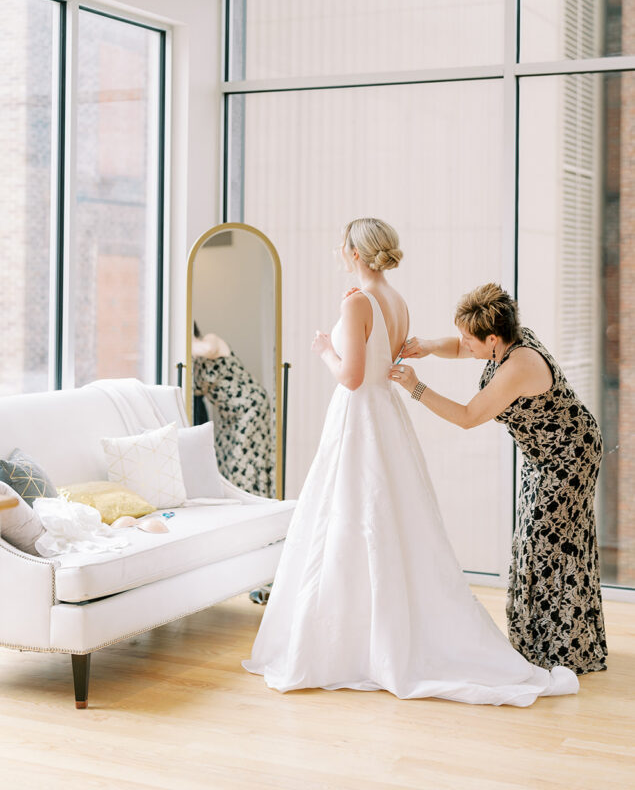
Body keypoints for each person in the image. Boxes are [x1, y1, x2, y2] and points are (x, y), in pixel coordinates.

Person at [243, 219, 579, 705]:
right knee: (383, 523)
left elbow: (352, 378)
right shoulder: (395, 300)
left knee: (350, 520)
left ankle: (350, 644)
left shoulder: (358, 302)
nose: (339, 252)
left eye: (342, 246)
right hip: (387, 417)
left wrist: (324, 350)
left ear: (354, 253)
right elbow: (392, 354)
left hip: (360, 417)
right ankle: (375, 637)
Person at [389, 282, 607, 675]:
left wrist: (415, 387)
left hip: (569, 455)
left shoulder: (519, 365)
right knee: (540, 541)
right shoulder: (505, 342)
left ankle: (562, 650)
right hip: (541, 454)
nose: (463, 344)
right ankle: (540, 644)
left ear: (492, 338)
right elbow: (462, 349)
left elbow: (468, 416)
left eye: (468, 338)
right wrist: (429, 346)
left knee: (547, 545)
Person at [192, 327, 275, 498]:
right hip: (228, 416)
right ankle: (240, 503)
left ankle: (250, 503)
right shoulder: (193, 361)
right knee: (227, 462)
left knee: (243, 459)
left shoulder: (210, 339)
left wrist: (186, 342)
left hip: (249, 406)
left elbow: (208, 350)